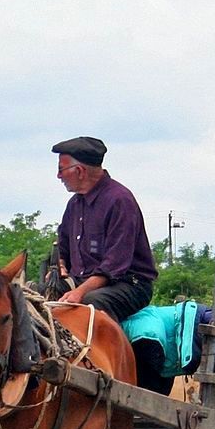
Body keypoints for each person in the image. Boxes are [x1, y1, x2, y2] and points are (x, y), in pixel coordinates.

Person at [52, 136, 157, 321]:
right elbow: (64, 246)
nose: (58, 176)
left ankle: (102, 349)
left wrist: (79, 292)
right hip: (82, 280)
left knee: (90, 303)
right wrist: (60, 265)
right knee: (35, 295)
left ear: (79, 171)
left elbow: (113, 267)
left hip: (128, 284)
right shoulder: (75, 204)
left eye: (61, 170)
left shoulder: (119, 201)